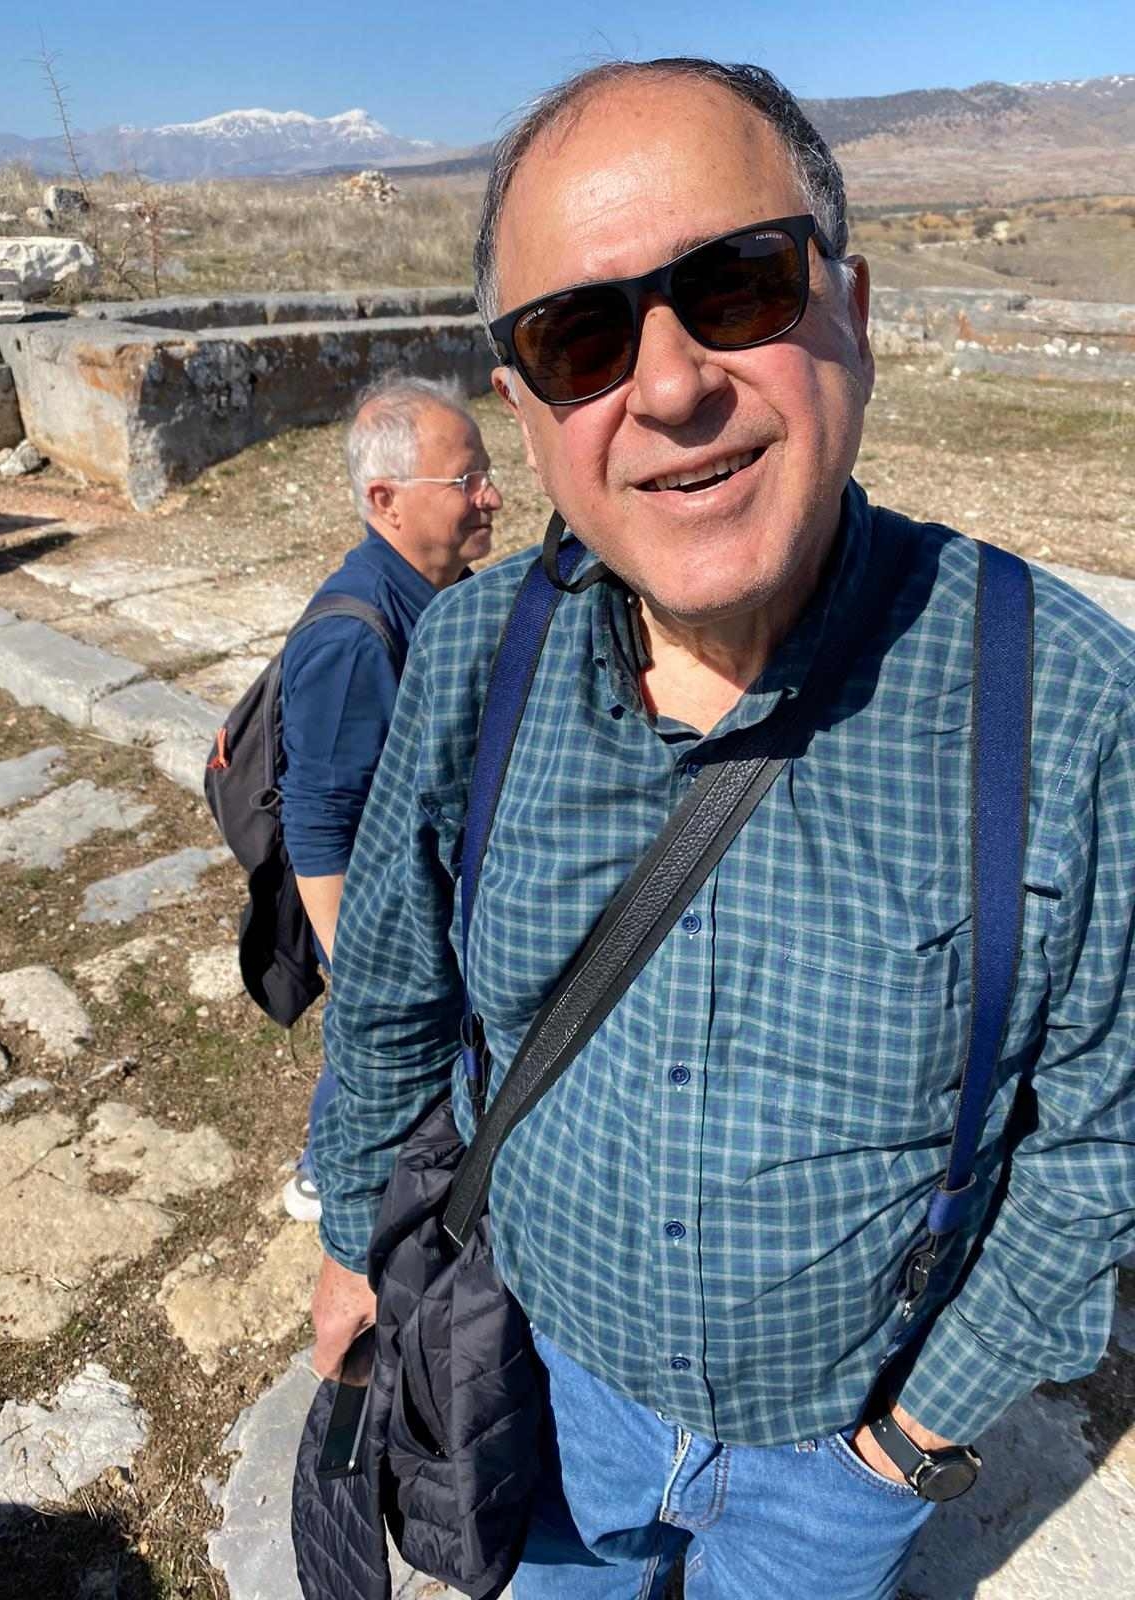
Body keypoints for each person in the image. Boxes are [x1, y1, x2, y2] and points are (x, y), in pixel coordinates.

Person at [306, 58, 1135, 1598]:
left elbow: (1100, 1147)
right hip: (543, 1391)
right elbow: (392, 1005)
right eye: (580, 337)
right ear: (528, 416)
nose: (673, 385)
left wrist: (912, 1441)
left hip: (839, 1464)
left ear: (852, 312)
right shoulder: (473, 660)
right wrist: (359, 1243)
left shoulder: (1065, 704)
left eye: (739, 286)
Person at [279, 374, 500, 1222]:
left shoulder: (442, 596)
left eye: (486, 474)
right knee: (374, 1058)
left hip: (431, 912)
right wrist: (356, 969)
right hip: (385, 928)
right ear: (385, 500)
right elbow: (318, 820)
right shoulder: (353, 637)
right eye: (466, 481)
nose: (492, 496)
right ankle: (329, 1174)